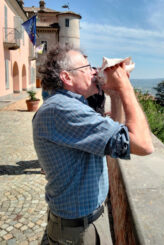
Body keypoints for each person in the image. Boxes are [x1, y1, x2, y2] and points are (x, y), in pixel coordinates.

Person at [32, 44, 154, 245]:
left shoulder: (68, 107)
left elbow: (112, 131)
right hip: (79, 232)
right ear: (67, 77)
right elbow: (143, 144)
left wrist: (114, 95)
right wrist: (125, 86)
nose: (94, 71)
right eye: (87, 68)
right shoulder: (63, 111)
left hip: (80, 223)